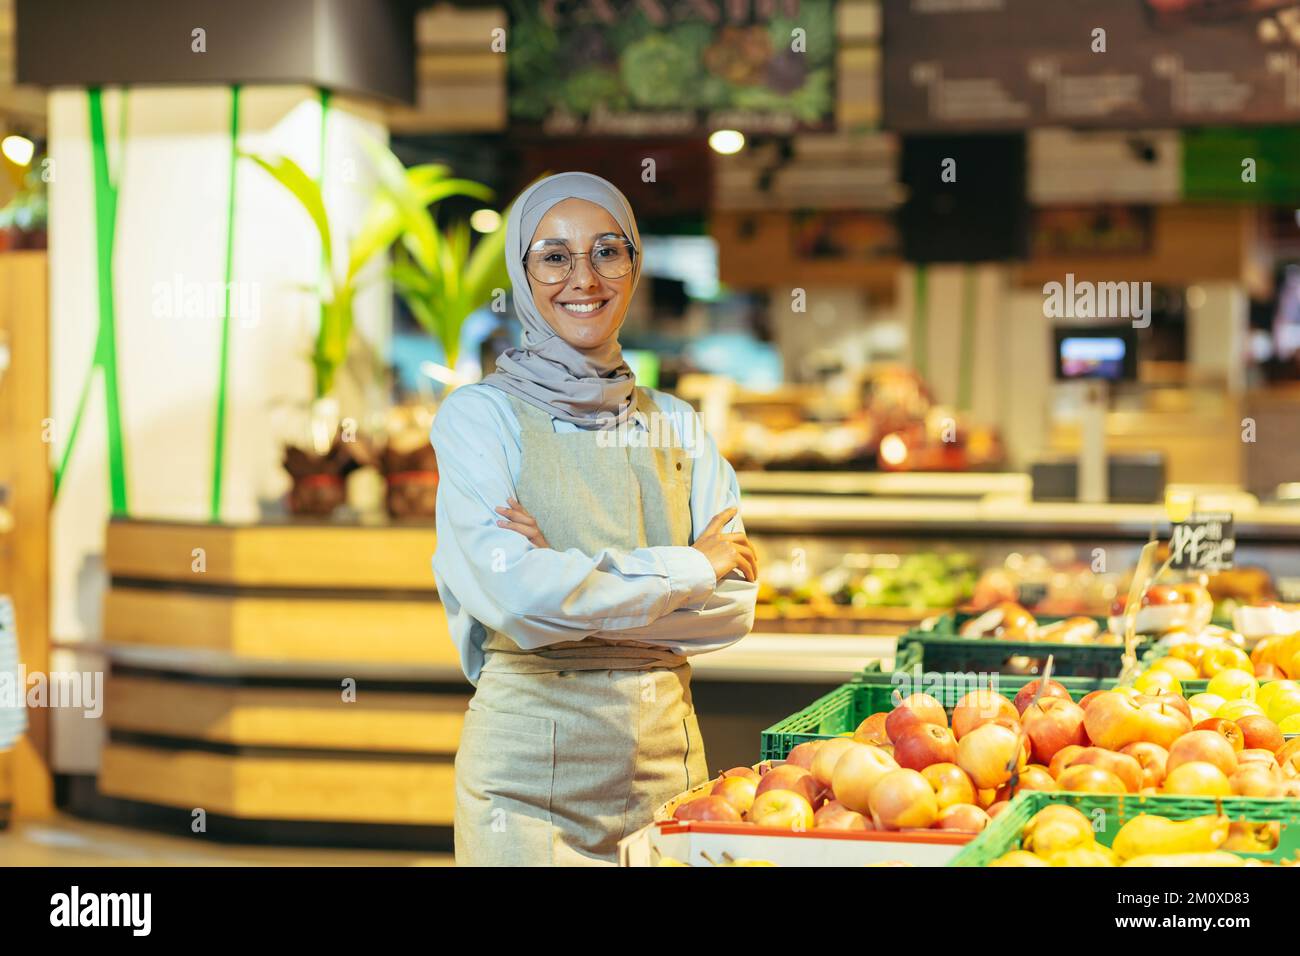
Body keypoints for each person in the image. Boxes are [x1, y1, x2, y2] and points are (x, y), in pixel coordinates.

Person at [430, 171, 758, 866]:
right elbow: (514, 598)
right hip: (523, 788)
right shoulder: (478, 417)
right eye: (554, 255)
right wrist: (691, 566)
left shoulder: (678, 423)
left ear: (634, 265)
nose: (584, 276)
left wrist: (567, 577)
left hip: (666, 766)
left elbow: (733, 608)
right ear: (523, 272)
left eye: (609, 251)